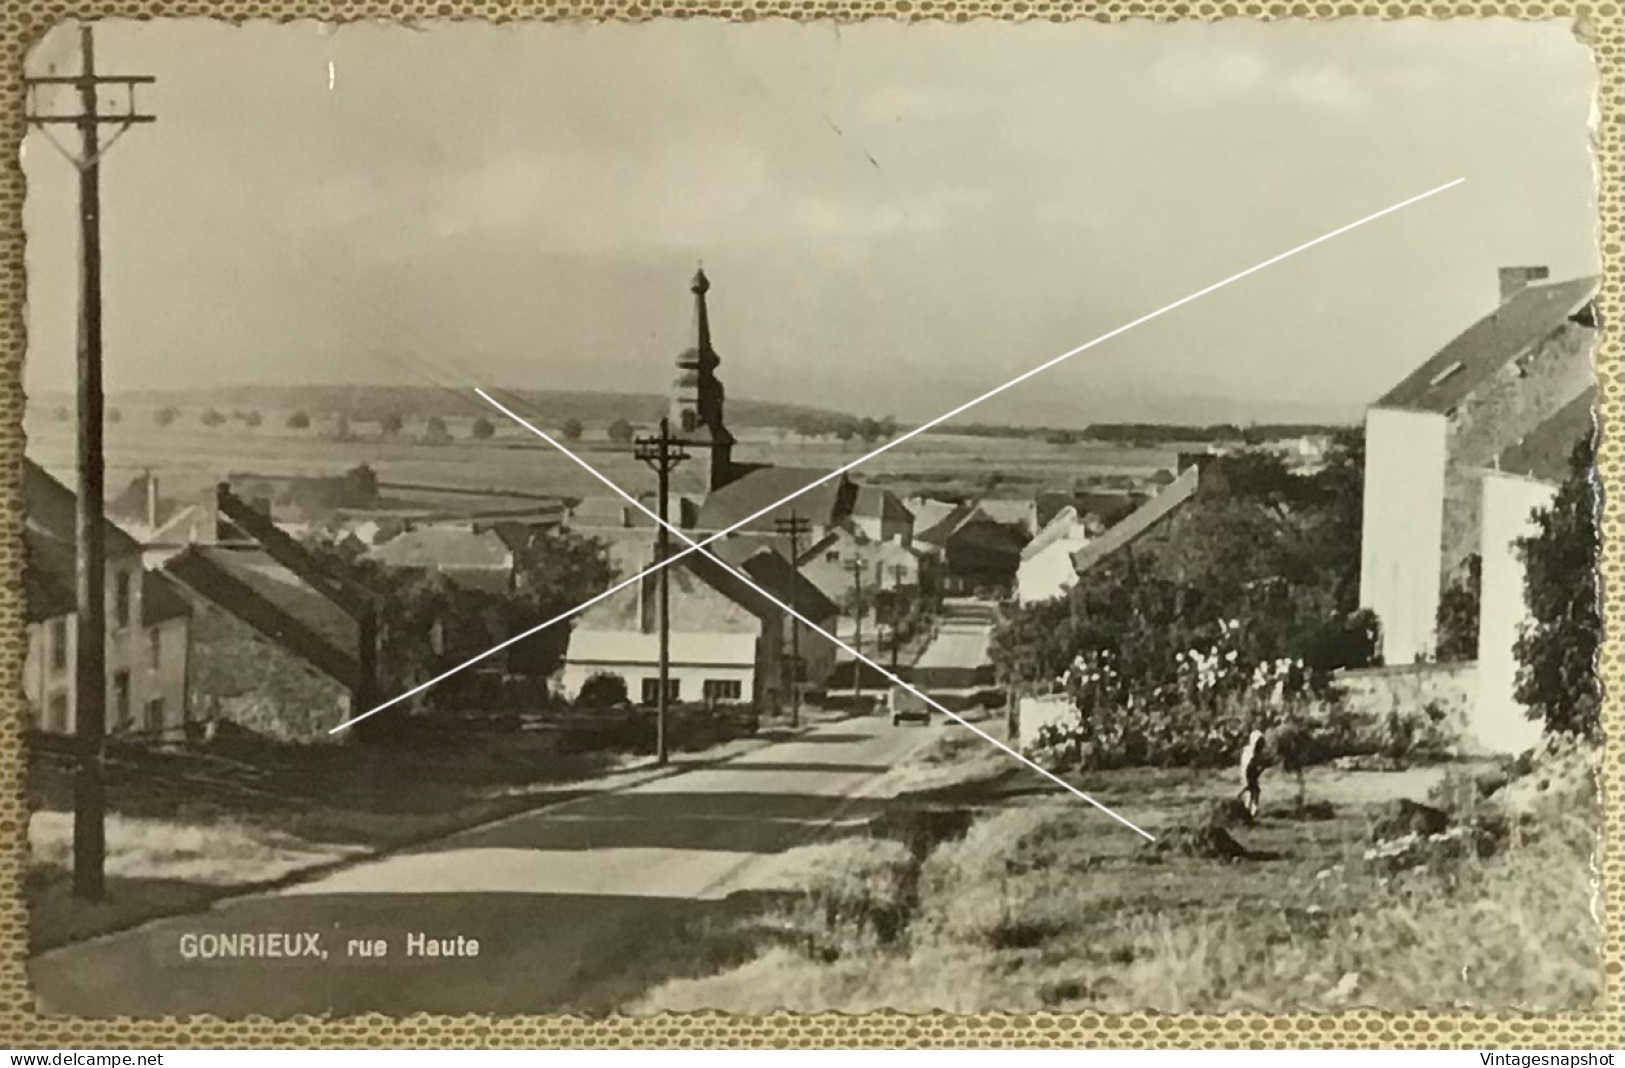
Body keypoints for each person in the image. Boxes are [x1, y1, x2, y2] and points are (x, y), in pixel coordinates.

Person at [1238, 728, 1267, 818]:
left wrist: (1259, 770)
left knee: (1255, 792)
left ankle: (1253, 811)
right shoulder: (1249, 752)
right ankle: (1247, 811)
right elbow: (1247, 766)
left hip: (1253, 775)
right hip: (1247, 774)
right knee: (1250, 793)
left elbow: (1260, 764)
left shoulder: (1258, 753)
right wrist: (1248, 779)